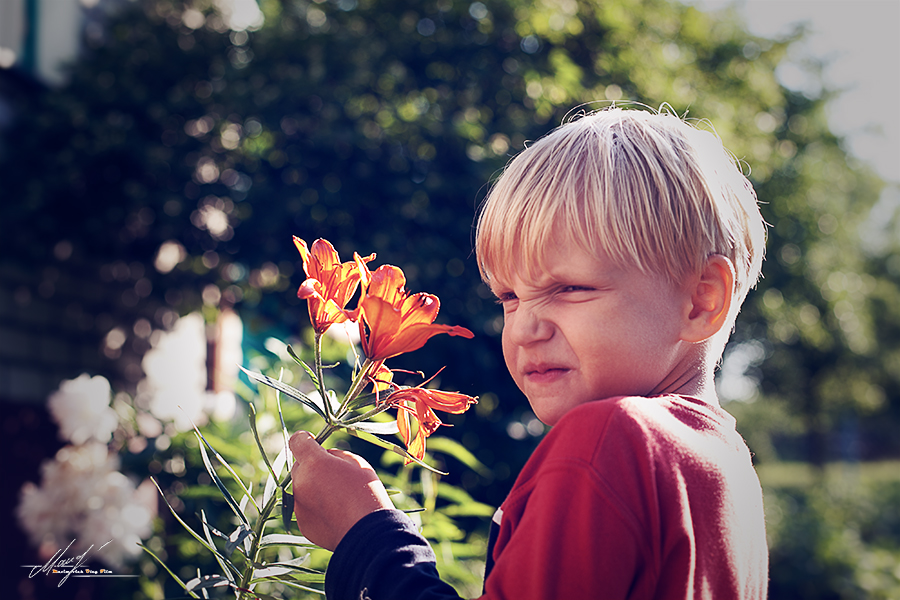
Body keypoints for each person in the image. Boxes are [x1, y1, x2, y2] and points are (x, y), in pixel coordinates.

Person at [288, 105, 769, 599]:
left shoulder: (611, 440)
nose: (525, 329)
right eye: (509, 298)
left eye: (571, 288)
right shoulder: (726, 469)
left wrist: (366, 540)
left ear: (701, 299)